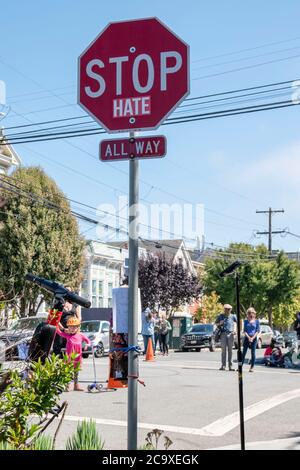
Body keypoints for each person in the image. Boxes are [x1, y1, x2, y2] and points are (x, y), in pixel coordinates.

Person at [56, 316, 90, 391]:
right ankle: (67, 385)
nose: (72, 329)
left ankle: (76, 385)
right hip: (69, 357)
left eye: (74, 327)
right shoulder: (68, 335)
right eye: (70, 327)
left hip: (78, 357)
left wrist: (87, 345)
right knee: (68, 371)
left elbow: (88, 340)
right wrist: (56, 323)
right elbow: (59, 332)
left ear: (78, 327)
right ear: (68, 327)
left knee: (76, 371)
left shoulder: (80, 335)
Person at [215, 304, 237, 371]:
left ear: (230, 310)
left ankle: (230, 366)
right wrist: (220, 323)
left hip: (231, 334)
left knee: (230, 351)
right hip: (223, 334)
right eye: (226, 309)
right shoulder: (220, 316)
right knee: (223, 351)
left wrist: (235, 330)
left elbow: (236, 323)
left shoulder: (233, 316)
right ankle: (223, 366)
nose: (227, 311)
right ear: (224, 309)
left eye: (229, 309)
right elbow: (216, 324)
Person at [241, 307, 260, 372]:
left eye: (252, 313)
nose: (251, 314)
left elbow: (257, 331)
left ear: (254, 314)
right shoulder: (246, 321)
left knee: (253, 353)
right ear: (247, 314)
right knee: (243, 353)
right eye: (249, 313)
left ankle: (252, 367)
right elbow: (245, 331)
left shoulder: (257, 321)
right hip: (247, 338)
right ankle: (241, 366)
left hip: (254, 338)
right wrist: (249, 337)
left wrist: (252, 338)